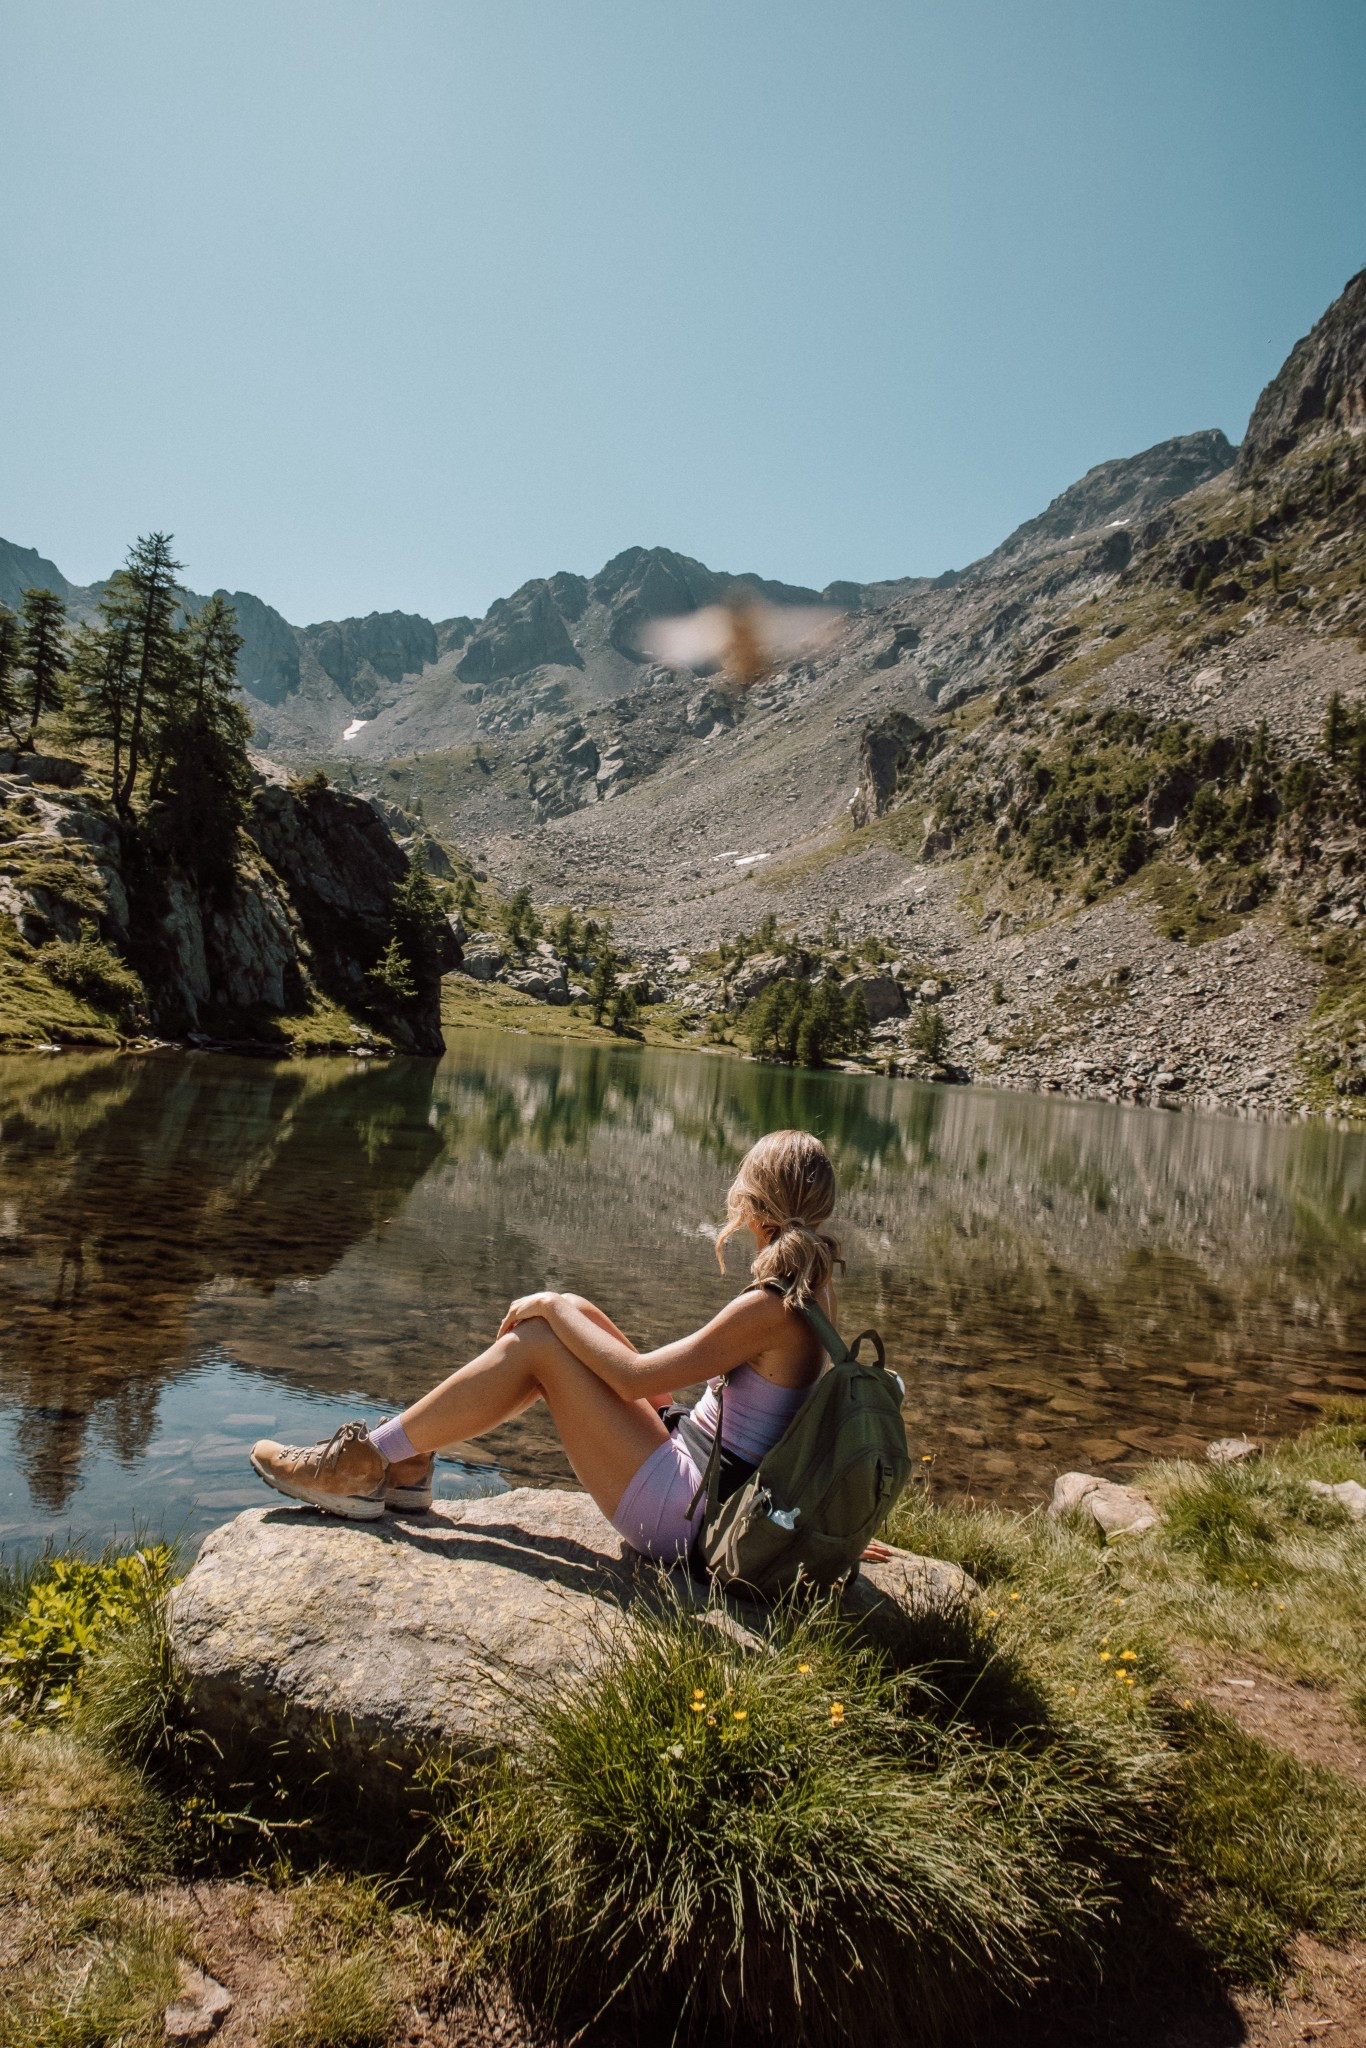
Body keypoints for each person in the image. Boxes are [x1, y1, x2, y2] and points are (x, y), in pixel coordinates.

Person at [250, 1129, 846, 1562]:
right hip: (709, 1478)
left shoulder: (770, 1305)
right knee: (577, 1316)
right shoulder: (814, 1292)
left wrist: (553, 1308)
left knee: (541, 1340)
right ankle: (404, 1461)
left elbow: (635, 1378)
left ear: (751, 1204)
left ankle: (369, 1461)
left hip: (684, 1514)